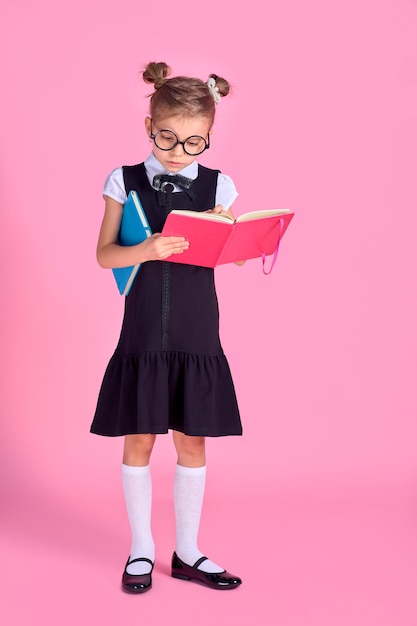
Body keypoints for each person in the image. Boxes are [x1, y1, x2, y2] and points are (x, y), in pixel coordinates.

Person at [90, 61, 243, 593]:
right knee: (139, 437)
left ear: (210, 137)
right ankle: (141, 550)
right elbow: (105, 255)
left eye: (195, 142)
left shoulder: (220, 187)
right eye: (167, 138)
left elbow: (225, 255)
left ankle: (188, 551)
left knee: (193, 441)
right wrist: (146, 249)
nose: (179, 151)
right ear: (149, 126)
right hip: (142, 335)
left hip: (197, 333)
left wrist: (238, 243)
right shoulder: (123, 179)